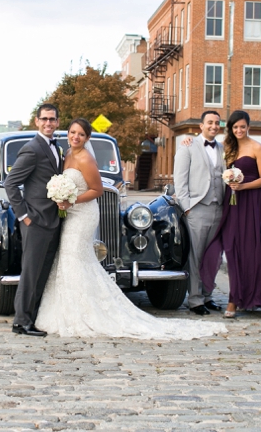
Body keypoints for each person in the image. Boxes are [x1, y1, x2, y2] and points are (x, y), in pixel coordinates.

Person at [36, 119, 226, 339]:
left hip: (82, 214)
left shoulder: (86, 158)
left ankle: (86, 312)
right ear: (68, 134)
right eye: (72, 132)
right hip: (71, 214)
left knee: (75, 258)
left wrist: (71, 200)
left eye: (80, 134)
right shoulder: (66, 154)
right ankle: (69, 310)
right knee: (70, 260)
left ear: (87, 138)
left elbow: (98, 189)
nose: (75, 137)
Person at [199, 111, 261, 317]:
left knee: (248, 248)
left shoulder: (257, 148)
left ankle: (240, 299)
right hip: (230, 202)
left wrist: (243, 186)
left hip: (250, 201)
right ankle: (235, 297)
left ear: (248, 126)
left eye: (242, 127)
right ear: (231, 129)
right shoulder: (227, 147)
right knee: (229, 247)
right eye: (235, 128)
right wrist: (188, 140)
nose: (239, 130)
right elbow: (205, 148)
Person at [4, 103, 63, 336]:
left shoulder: (56, 147)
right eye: (45, 119)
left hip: (53, 220)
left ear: (57, 122)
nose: (49, 123)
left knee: (42, 273)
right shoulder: (32, 148)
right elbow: (10, 183)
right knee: (30, 273)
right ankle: (21, 322)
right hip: (36, 222)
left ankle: (33, 317)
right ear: (37, 121)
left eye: (53, 119)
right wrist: (24, 216)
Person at [173, 110, 225, 315]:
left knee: (213, 257)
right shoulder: (188, 146)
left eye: (217, 123)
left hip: (219, 208)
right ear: (201, 126)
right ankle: (195, 299)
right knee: (196, 256)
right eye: (209, 122)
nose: (213, 126)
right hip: (197, 208)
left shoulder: (222, 148)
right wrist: (187, 207)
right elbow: (180, 180)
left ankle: (208, 295)